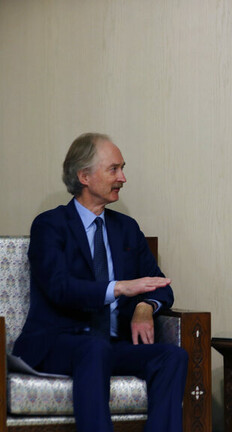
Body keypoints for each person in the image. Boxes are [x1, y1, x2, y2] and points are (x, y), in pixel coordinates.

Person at [12, 133, 188, 432]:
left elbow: (159, 284)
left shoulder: (126, 229)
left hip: (110, 344)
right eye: (114, 169)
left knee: (172, 356)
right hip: (57, 343)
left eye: (122, 169)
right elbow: (59, 287)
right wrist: (119, 287)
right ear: (84, 176)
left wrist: (144, 307)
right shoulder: (50, 225)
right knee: (94, 349)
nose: (123, 178)